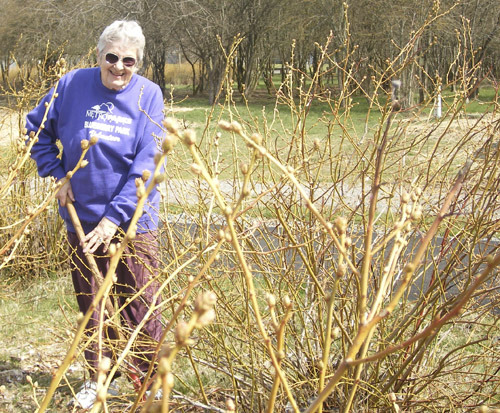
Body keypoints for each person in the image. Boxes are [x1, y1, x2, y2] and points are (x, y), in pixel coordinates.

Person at [25, 20, 165, 409]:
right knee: (92, 302)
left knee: (140, 301)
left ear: (138, 63)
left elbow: (148, 163)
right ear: (99, 54)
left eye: (129, 61)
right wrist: (56, 174)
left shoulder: (149, 96)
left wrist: (113, 219)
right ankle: (100, 377)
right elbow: (35, 129)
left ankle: (149, 381)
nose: (119, 67)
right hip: (81, 216)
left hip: (134, 221)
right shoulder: (71, 85)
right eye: (112, 57)